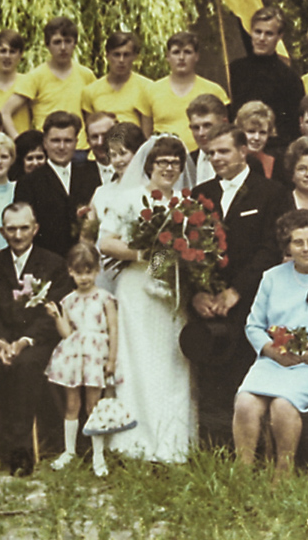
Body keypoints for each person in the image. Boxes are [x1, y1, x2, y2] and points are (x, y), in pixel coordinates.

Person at [96, 135, 197, 462]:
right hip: (138, 289)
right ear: (149, 165)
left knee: (170, 364)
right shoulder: (130, 199)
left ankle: (172, 443)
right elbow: (106, 244)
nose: (168, 168)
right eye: (162, 163)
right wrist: (149, 254)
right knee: (138, 362)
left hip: (172, 292)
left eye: (174, 163)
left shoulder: (187, 205)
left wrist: (174, 258)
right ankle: (134, 442)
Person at [232, 210, 308, 477]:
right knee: (245, 402)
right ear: (287, 245)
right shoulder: (272, 277)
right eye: (297, 242)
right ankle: (242, 473)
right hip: (274, 359)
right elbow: (253, 325)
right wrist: (272, 352)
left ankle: (282, 473)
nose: (306, 248)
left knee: (282, 405)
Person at [191, 124, 284, 444]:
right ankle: (213, 449)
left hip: (250, 303)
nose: (216, 158)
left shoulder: (271, 192)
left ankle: (252, 453)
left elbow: (270, 249)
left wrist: (237, 291)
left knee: (244, 379)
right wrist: (197, 292)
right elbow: (183, 249)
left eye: (223, 151)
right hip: (208, 306)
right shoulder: (199, 194)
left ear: (244, 150)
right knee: (209, 378)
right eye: (211, 152)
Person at [0, 202, 74, 475]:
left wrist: (25, 341)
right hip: (0, 340)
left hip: (36, 341)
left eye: (24, 228)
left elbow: (52, 312)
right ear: (2, 232)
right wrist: (2, 343)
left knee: (26, 367)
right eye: (12, 229)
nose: (18, 235)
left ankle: (20, 448)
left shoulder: (54, 264)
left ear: (35, 229)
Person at [45, 243, 119, 476]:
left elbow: (114, 329)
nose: (84, 277)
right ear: (70, 271)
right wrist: (57, 316)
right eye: (78, 272)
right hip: (74, 358)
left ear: (97, 270)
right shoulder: (67, 301)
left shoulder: (105, 298)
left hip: (96, 356)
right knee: (72, 405)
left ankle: (98, 455)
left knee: (93, 406)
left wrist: (112, 359)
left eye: (88, 271)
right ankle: (69, 451)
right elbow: (66, 333)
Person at [0, 17, 96, 152]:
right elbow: (5, 112)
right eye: (57, 42)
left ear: (75, 44)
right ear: (47, 45)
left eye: (67, 42)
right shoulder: (36, 76)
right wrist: (20, 142)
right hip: (47, 150)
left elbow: (93, 115)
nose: (63, 47)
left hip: (80, 149)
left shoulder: (86, 75)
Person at [14, 111, 100, 256]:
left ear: (76, 143)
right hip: (47, 265)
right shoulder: (28, 182)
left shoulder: (91, 174)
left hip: (88, 262)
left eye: (67, 141)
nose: (61, 147)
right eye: (55, 140)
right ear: (45, 143)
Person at [229, 6, 305, 145]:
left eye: (269, 34)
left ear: (279, 36)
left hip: (274, 151)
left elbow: (293, 128)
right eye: (258, 32)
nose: (262, 38)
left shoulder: (290, 79)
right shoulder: (234, 70)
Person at [148, 31, 229, 150]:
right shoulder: (151, 90)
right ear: (167, 57)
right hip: (165, 159)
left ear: (197, 56)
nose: (181, 57)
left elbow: (226, 130)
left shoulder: (214, 90)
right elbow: (146, 134)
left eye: (187, 52)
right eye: (176, 52)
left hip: (205, 156)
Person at [80, 31, 152, 133]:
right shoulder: (90, 91)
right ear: (108, 55)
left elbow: (147, 135)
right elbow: (91, 132)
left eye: (126, 55)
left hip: (134, 145)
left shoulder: (147, 88)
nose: (121, 60)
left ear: (134, 57)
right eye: (116, 55)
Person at [89, 122, 146, 245]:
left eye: (123, 153)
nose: (118, 160)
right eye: (113, 155)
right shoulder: (101, 193)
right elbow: (87, 238)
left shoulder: (151, 190)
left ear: (138, 153)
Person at [185, 93, 230, 185]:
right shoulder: (187, 163)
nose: (201, 133)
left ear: (224, 123)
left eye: (207, 126)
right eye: (196, 128)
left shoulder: (242, 162)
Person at [234, 101, 278, 179]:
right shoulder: (230, 160)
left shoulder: (274, 163)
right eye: (251, 131)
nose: (257, 137)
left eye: (262, 132)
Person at [83, 112, 118, 185]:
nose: (100, 142)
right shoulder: (80, 177)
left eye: (105, 135)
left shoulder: (135, 171)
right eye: (95, 137)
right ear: (88, 141)